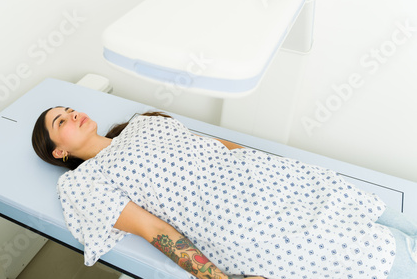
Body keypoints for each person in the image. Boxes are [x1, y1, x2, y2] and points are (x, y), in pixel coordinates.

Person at [32, 107, 417, 279]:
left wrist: (276, 167)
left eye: (69, 109)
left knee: (392, 220)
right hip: (241, 223)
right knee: (380, 255)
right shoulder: (83, 182)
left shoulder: (141, 122)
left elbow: (220, 145)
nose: (73, 113)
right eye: (60, 121)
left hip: (277, 179)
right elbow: (151, 229)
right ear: (59, 152)